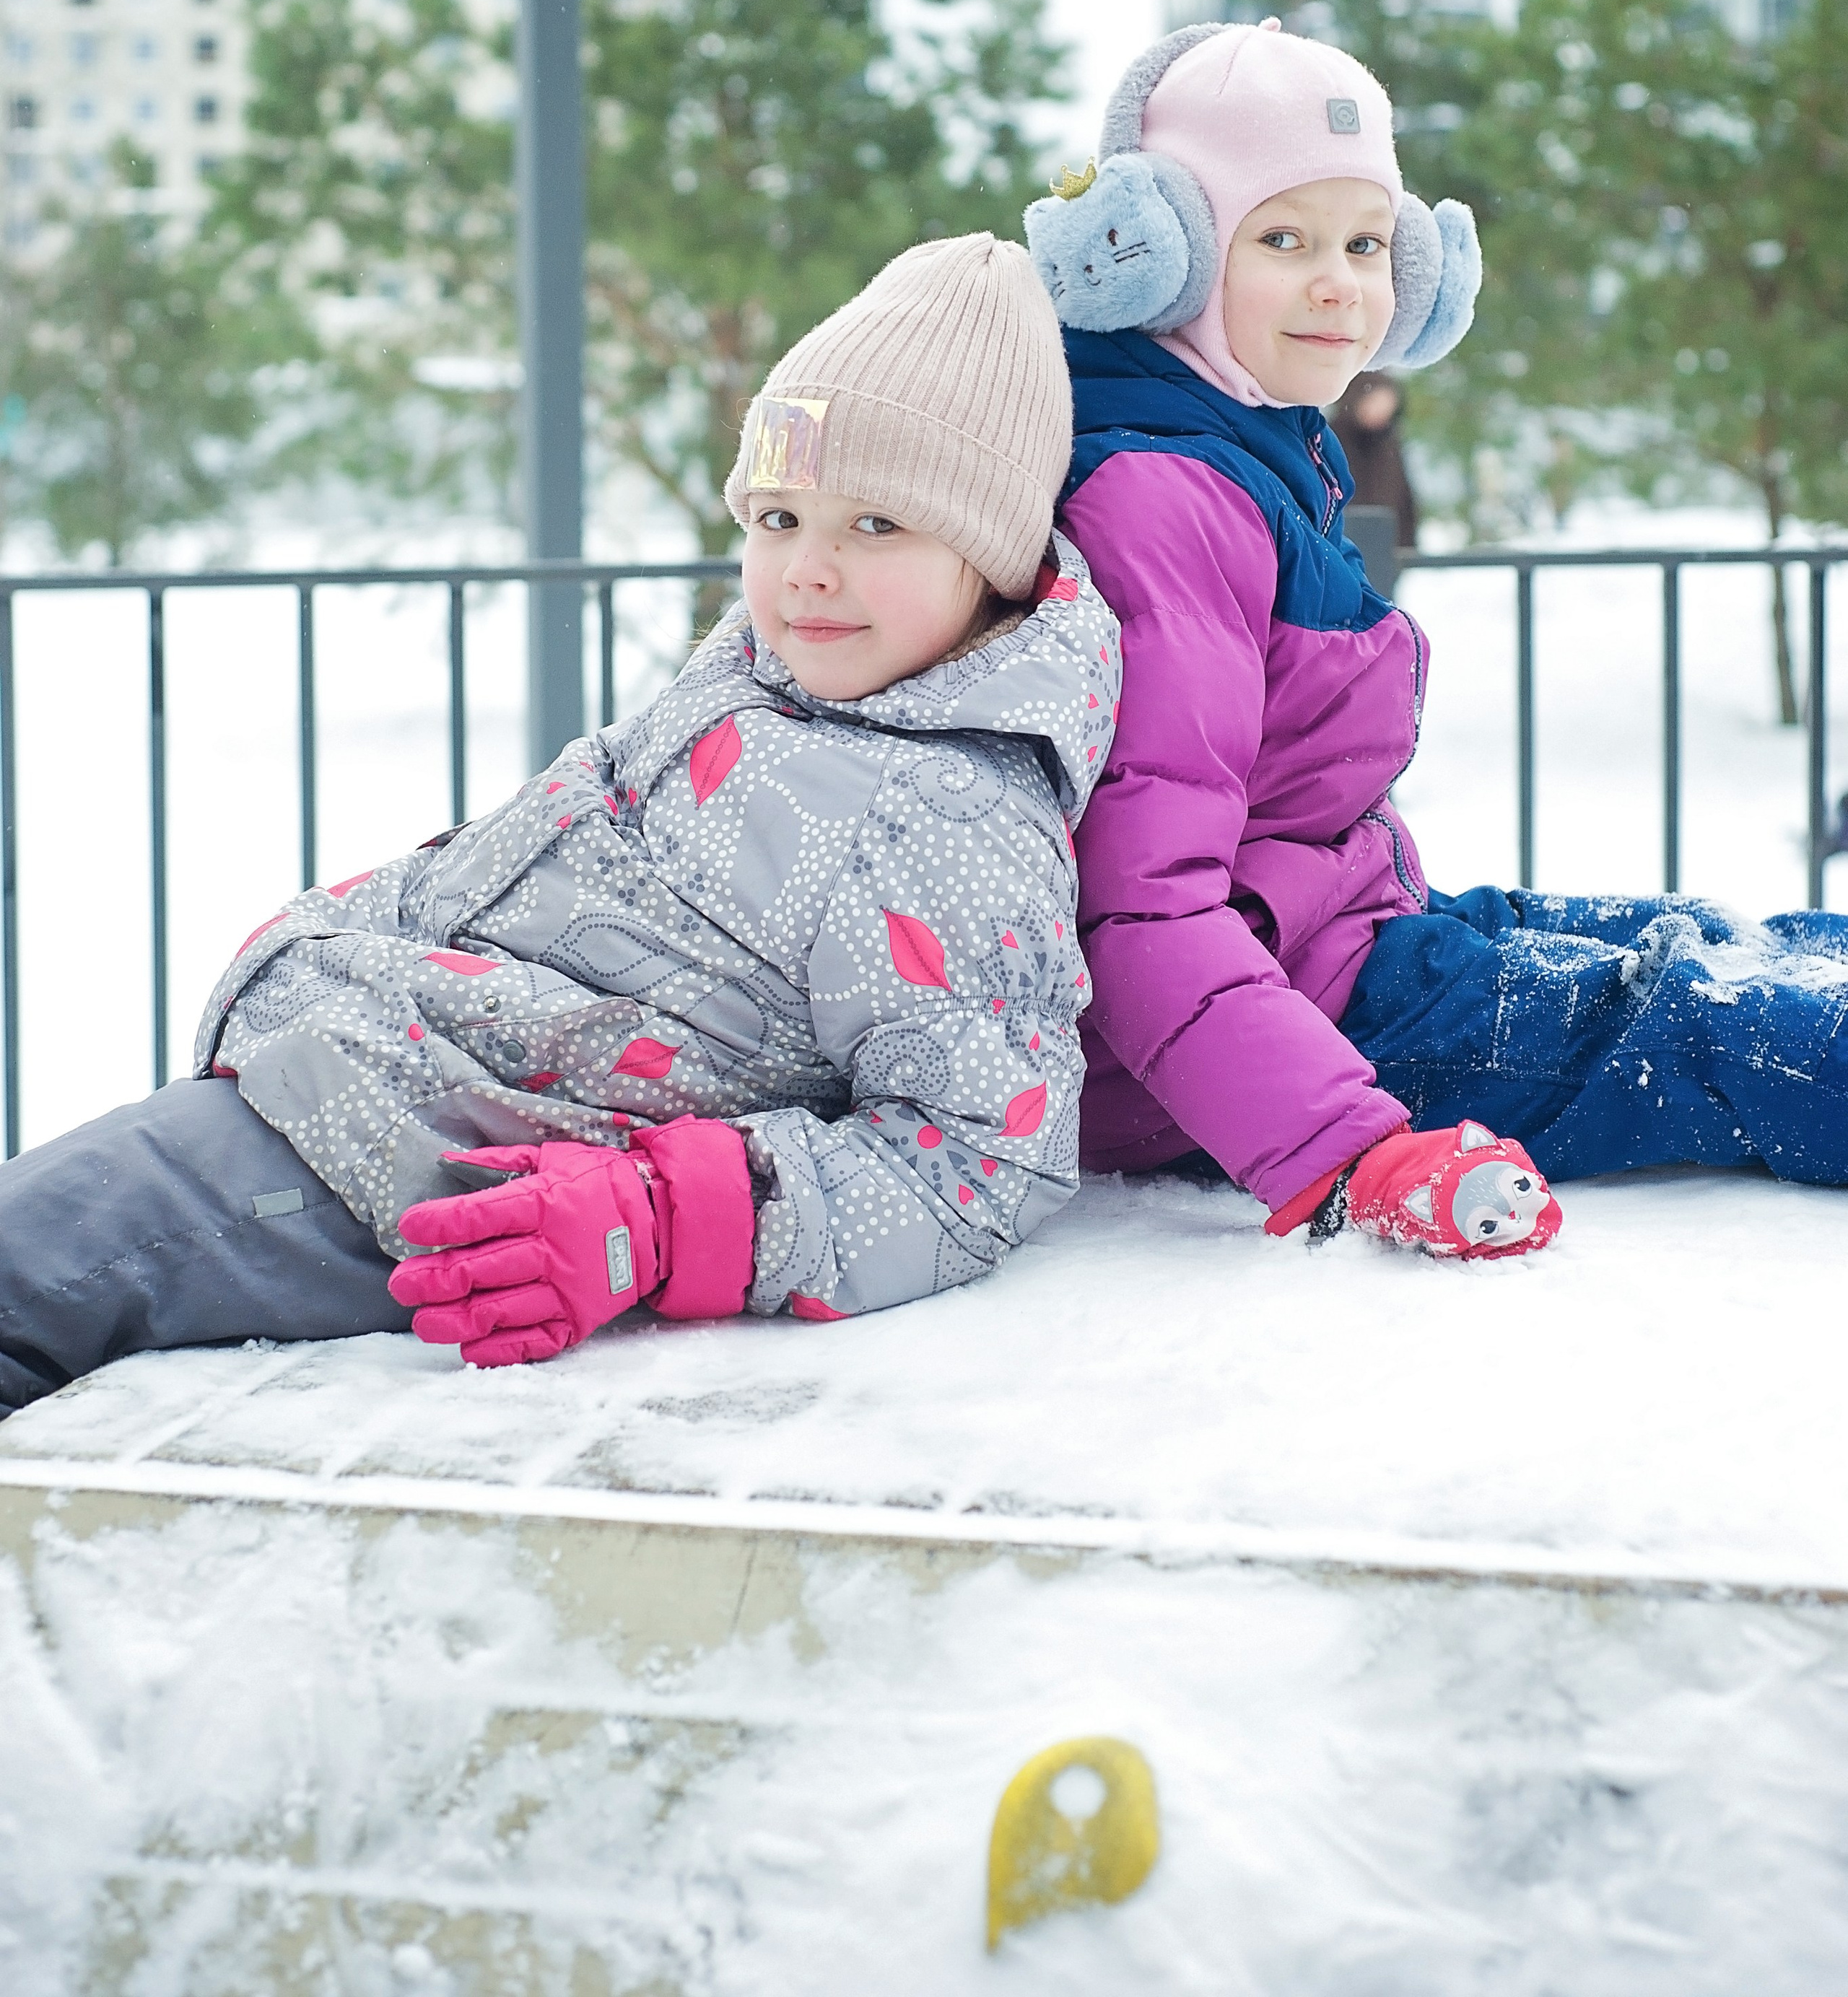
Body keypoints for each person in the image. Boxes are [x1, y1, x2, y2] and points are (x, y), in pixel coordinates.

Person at [0, 236, 1120, 1412]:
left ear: (989, 559)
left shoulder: (942, 813)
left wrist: (655, 1218)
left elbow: (984, 1156)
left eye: (877, 526)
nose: (809, 571)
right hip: (362, 1080)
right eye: (780, 516)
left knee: (37, 1264)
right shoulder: (776, 684)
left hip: (443, 1166)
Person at [1025, 18, 1848, 1259]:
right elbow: (1142, 916)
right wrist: (1346, 1147)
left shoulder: (1250, 444)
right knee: (1691, 1027)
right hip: (1265, 1034)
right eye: (1283, 239)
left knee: (1700, 933)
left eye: (1367, 242)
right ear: (1162, 258)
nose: (1340, 283)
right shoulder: (1161, 496)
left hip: (1338, 935)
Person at [1329, 371, 1418, 551]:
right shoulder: (1329, 441)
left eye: (1387, 405)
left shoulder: (1389, 446)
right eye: (1375, 402)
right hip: (1340, 547)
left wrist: (1407, 546)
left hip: (1386, 547)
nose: (1380, 411)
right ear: (1357, 400)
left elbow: (1404, 499)